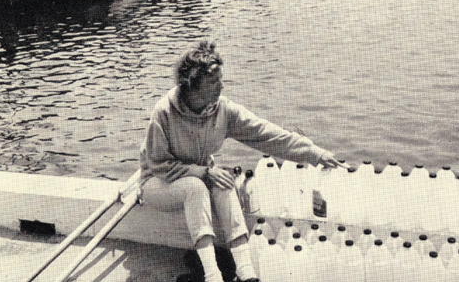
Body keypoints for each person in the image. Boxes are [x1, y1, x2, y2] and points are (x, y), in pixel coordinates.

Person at [140, 40, 342, 282]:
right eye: (214, 82)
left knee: (224, 181)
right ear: (193, 85)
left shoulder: (222, 110)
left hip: (199, 176)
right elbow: (158, 165)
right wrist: (202, 173)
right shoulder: (163, 112)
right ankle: (212, 275)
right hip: (158, 183)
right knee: (195, 186)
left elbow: (267, 134)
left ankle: (245, 272)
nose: (221, 86)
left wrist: (315, 153)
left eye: (221, 80)